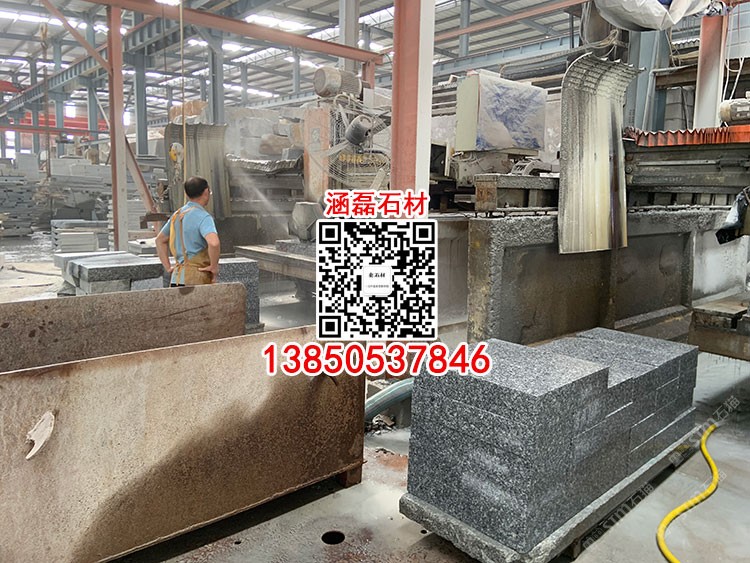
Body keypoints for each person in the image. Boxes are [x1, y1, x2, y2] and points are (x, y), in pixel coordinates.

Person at [156, 176, 220, 286]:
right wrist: (213, 267)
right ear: (206, 192)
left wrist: (168, 267)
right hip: (196, 278)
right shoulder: (204, 217)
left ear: (186, 194)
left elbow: (159, 240)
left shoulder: (176, 215)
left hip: (176, 278)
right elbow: (214, 243)